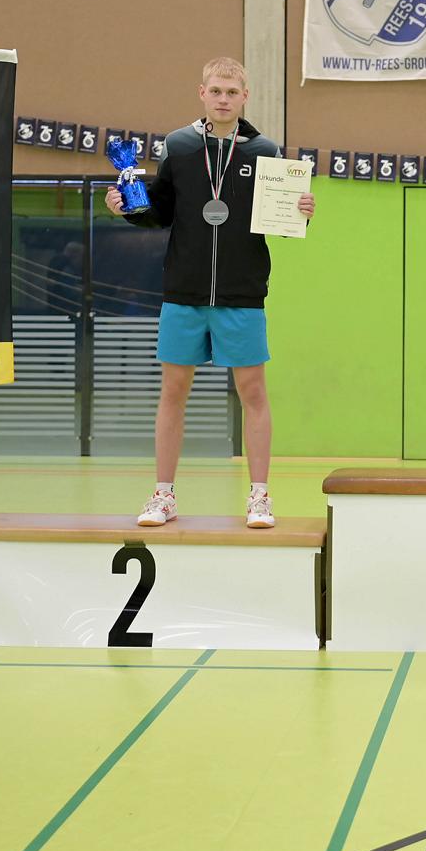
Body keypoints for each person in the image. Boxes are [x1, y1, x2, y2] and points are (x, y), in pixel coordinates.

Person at [107, 57, 314, 529]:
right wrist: (126, 209)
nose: (223, 99)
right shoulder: (178, 146)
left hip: (242, 295)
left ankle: (259, 496)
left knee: (253, 392)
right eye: (216, 91)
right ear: (202, 93)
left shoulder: (265, 151)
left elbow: (280, 220)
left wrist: (301, 208)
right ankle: (164, 495)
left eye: (232, 92)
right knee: (173, 391)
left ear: (245, 97)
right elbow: (160, 212)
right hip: (184, 293)